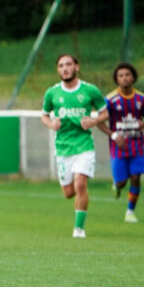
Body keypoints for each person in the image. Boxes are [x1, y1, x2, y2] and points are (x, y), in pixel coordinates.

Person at [40, 53, 106, 239]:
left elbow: (104, 112)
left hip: (84, 145)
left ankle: (79, 229)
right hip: (63, 147)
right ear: (58, 69)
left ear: (77, 66)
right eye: (61, 66)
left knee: (80, 184)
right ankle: (78, 208)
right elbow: (44, 115)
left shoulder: (90, 90)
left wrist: (93, 121)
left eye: (68, 64)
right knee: (69, 192)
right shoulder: (52, 93)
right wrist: (51, 124)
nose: (65, 68)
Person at [98, 62, 144, 223]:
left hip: (136, 145)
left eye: (127, 75)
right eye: (120, 75)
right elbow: (99, 122)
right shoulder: (110, 100)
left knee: (136, 177)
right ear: (116, 79)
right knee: (122, 181)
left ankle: (130, 211)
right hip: (118, 147)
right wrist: (114, 136)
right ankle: (117, 185)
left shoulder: (141, 98)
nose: (124, 78)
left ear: (133, 77)